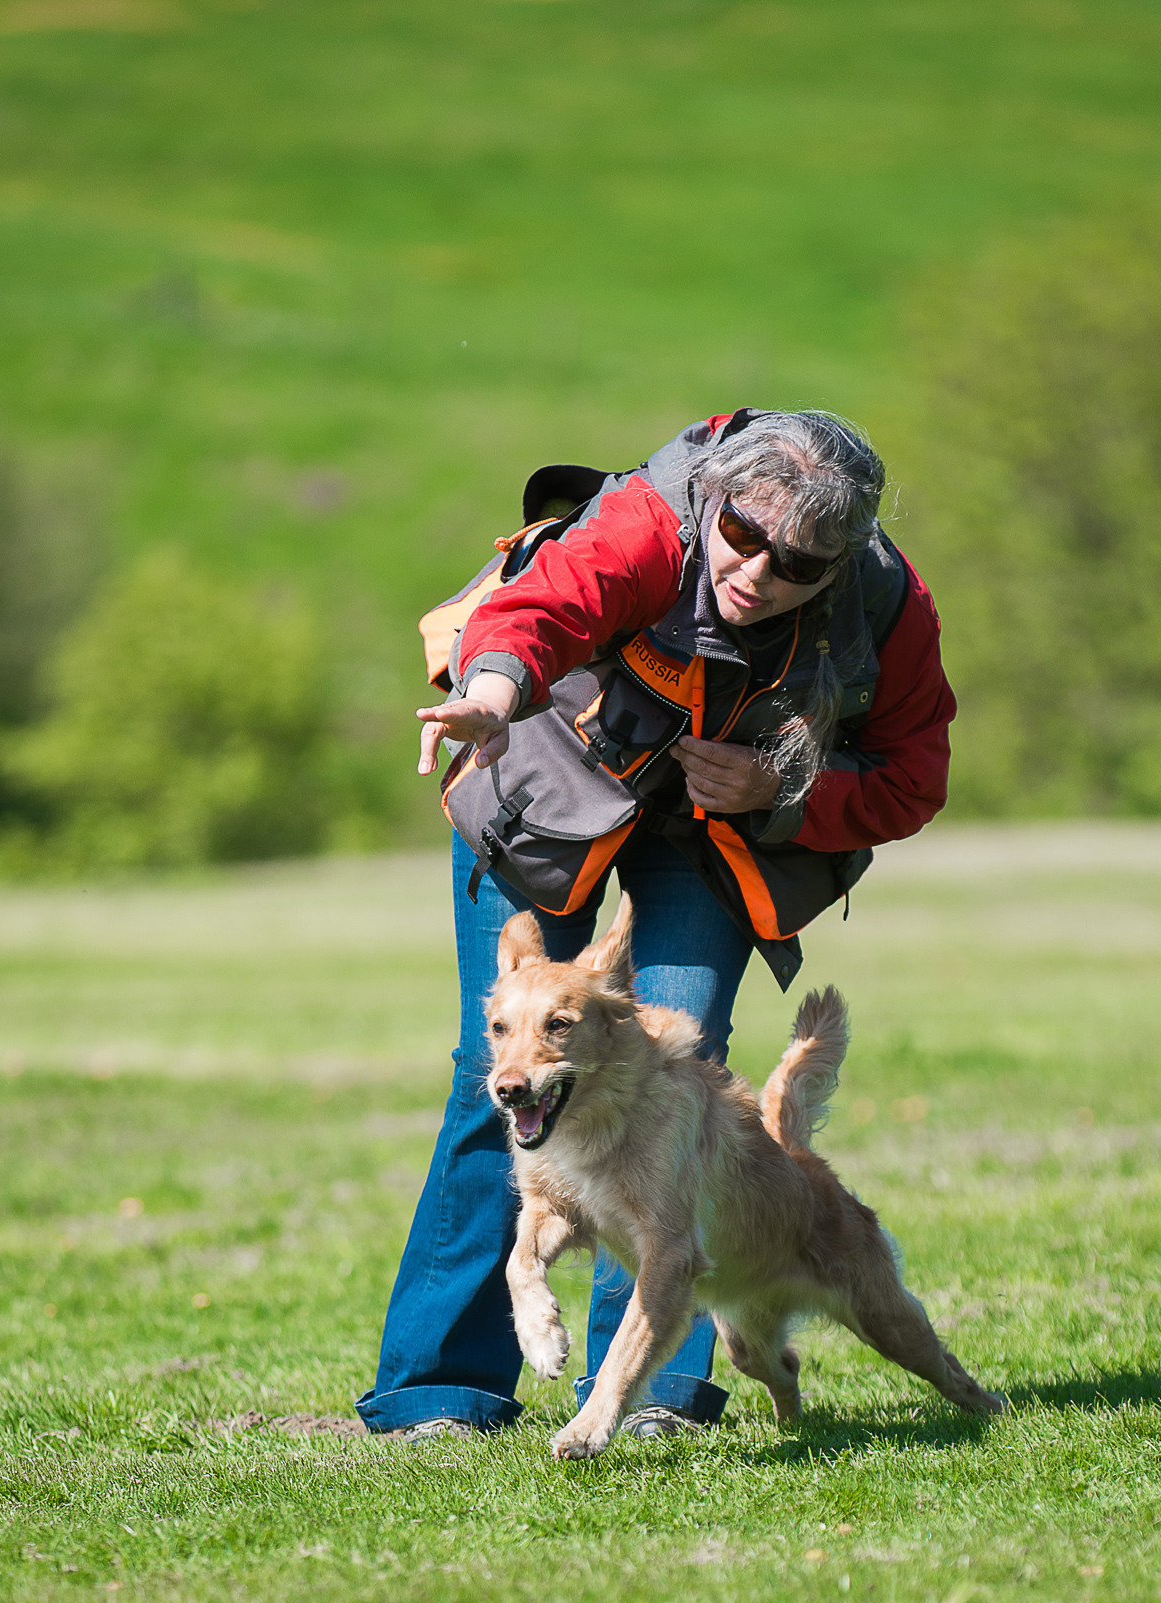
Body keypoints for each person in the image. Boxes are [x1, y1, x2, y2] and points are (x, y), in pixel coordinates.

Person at [356, 408, 955, 1443]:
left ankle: (650, 1397)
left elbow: (915, 774)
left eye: (798, 561)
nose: (758, 570)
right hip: (542, 766)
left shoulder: (889, 609)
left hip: (720, 829)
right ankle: (438, 1392)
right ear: (713, 505)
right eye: (742, 535)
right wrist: (490, 698)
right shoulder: (646, 523)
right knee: (499, 1076)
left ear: (842, 560)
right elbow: (541, 609)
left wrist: (784, 789)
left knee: (678, 1077)